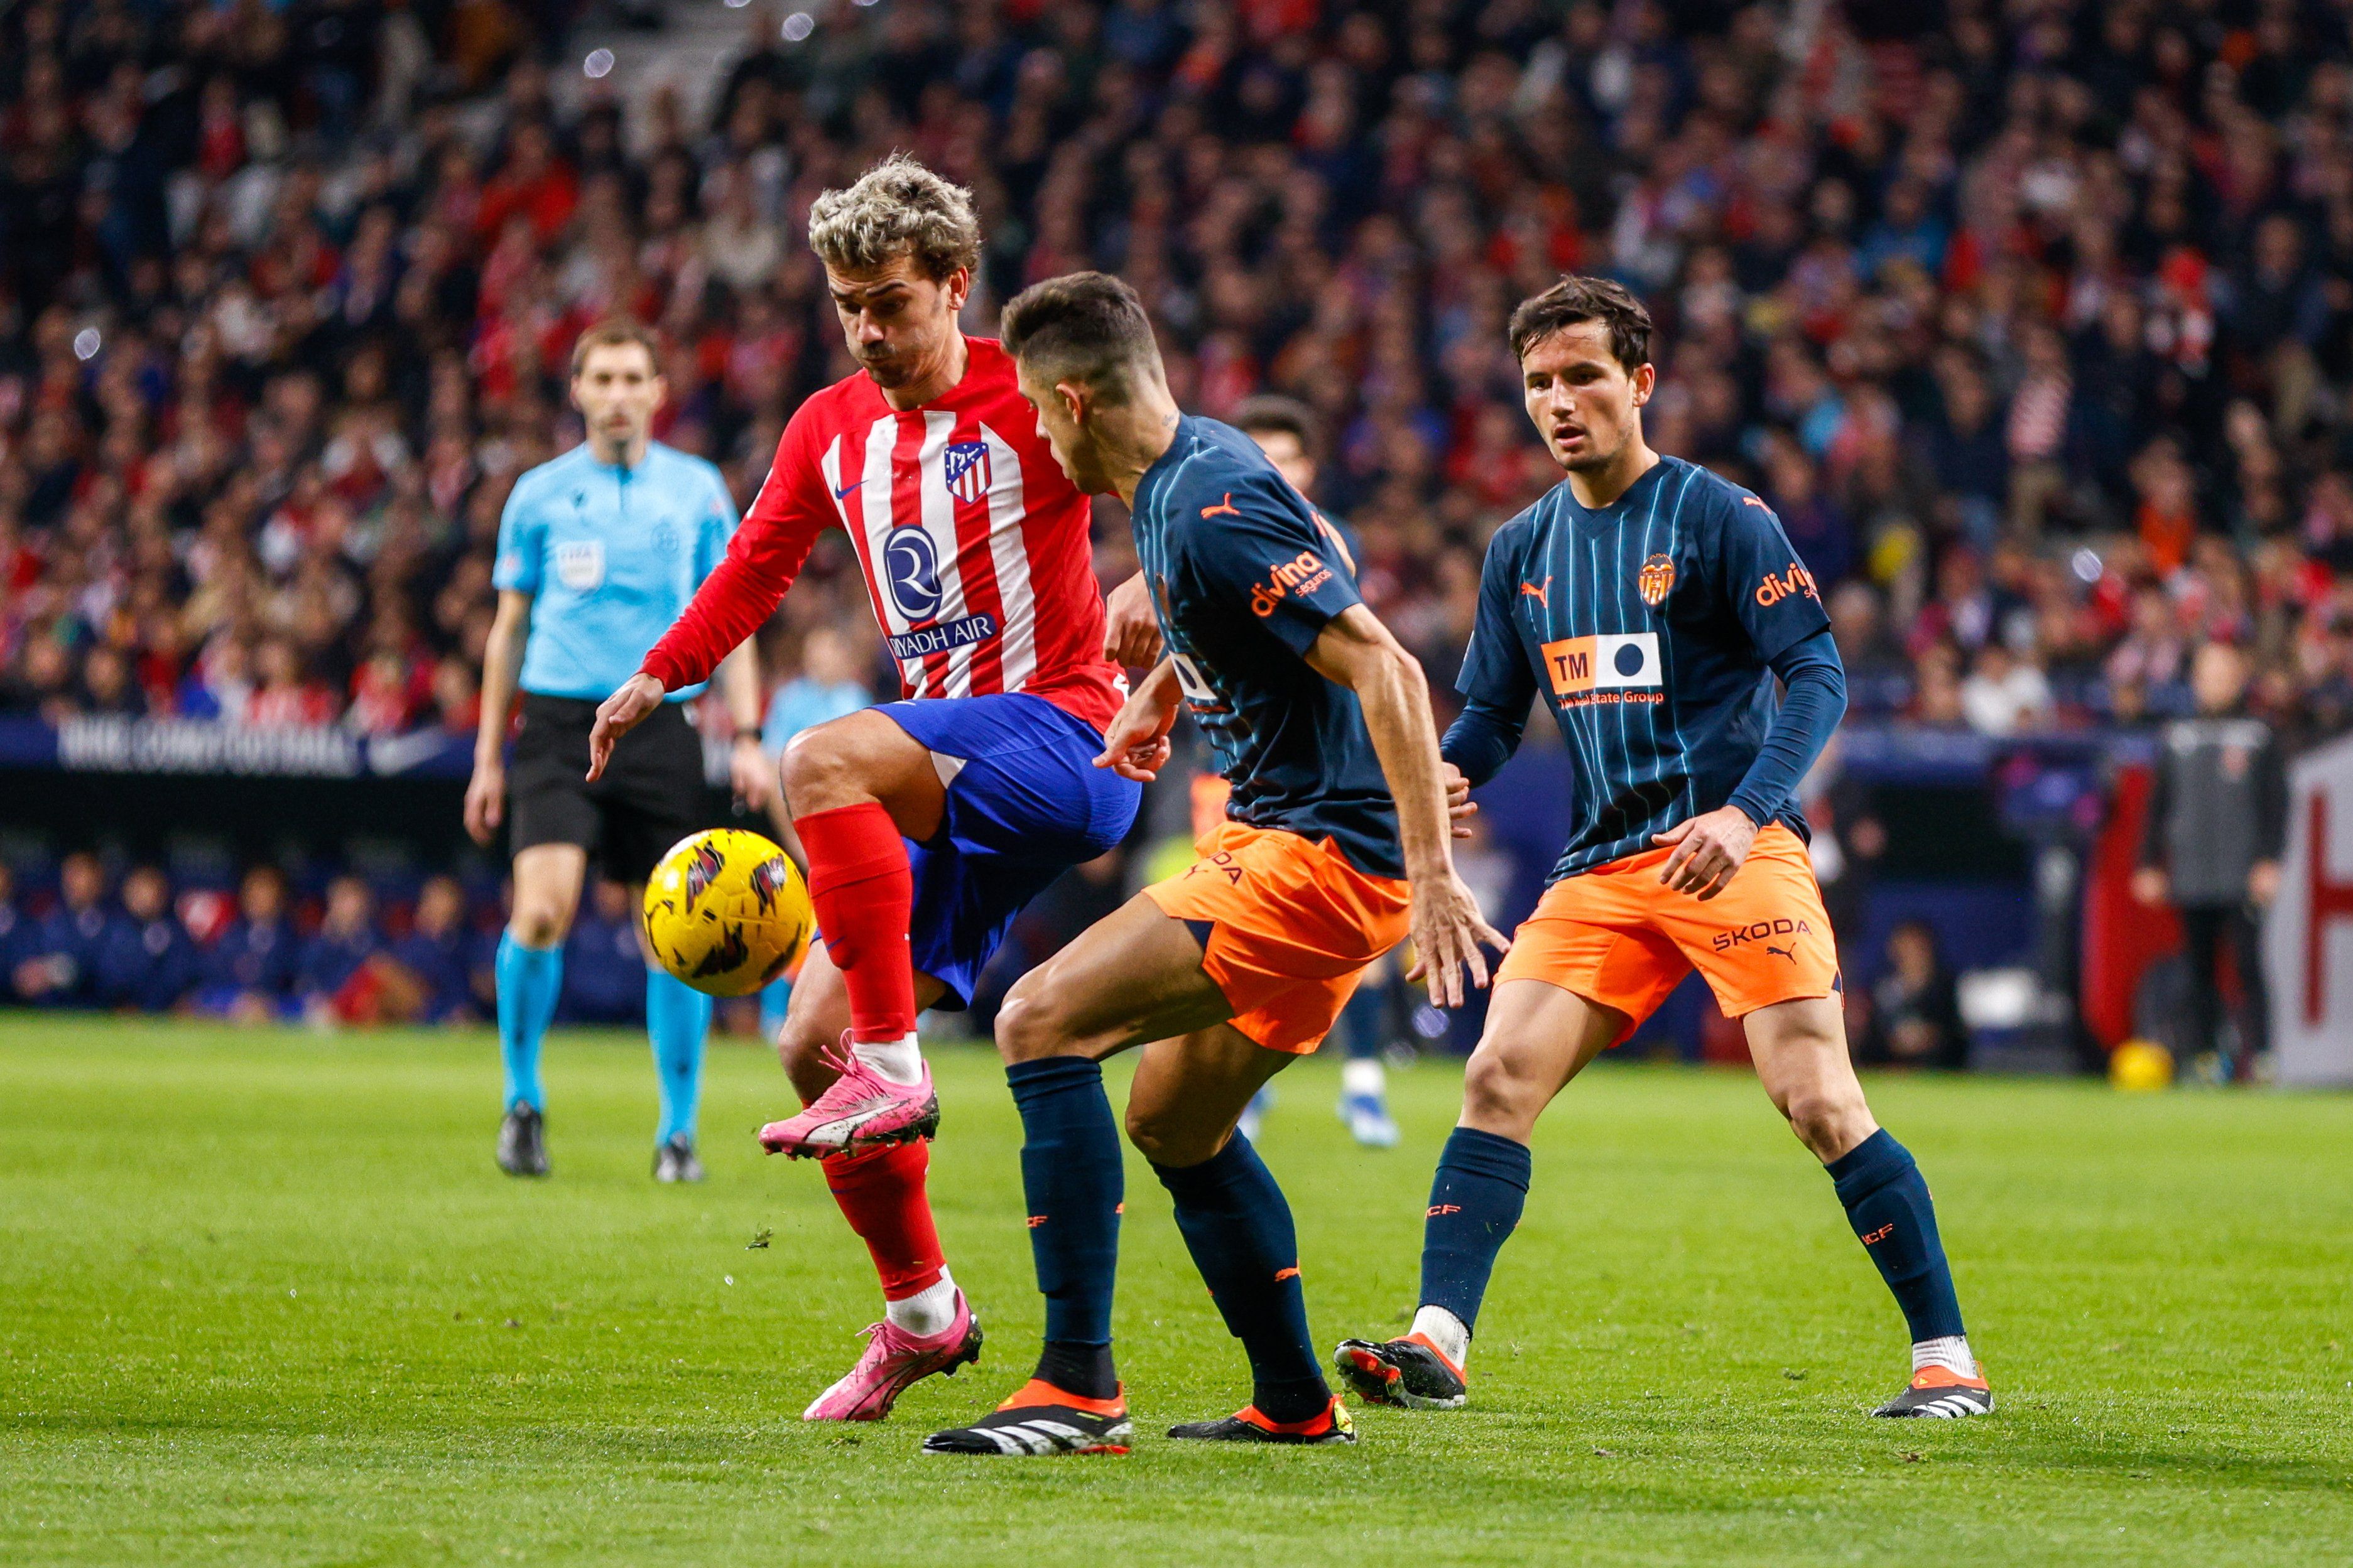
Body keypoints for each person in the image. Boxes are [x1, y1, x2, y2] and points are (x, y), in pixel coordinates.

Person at [1330, 276, 1993, 1422]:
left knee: (1818, 1098)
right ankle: (1438, 1342)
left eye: (1582, 375)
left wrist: (1746, 812)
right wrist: (1446, 772)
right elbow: (1490, 716)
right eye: (1538, 383)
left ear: (1639, 382)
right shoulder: (1522, 548)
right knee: (1494, 1076)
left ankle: (1948, 1359)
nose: (1558, 401)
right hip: (1604, 864)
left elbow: (1816, 674)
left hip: (1734, 848)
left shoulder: (1721, 516)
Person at [587, 156, 1139, 1422]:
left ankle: (896, 1062)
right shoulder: (832, 426)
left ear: (955, 286)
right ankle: (925, 1316)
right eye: (845, 305)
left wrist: (1153, 588)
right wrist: (653, 677)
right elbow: (755, 566)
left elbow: (1172, 490)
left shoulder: (1038, 391)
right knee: (800, 1043)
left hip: (1066, 741)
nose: (865, 331)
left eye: (887, 302)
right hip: (941, 787)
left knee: (817, 754)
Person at [918, 271, 1501, 1456]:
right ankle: (1294, 1402)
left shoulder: (1206, 500)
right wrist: (1160, 687)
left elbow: (1383, 667)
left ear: (1075, 400)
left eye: (1035, 408)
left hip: (1317, 856)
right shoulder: (1199, 469)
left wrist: (1436, 872)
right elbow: (1302, 567)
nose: (1032, 429)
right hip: (1305, 845)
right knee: (1174, 1123)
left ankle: (1076, 1384)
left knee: (1037, 1020)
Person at [464, 316, 774, 1185]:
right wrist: (490, 757)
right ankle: (521, 1104)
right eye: (600, 379)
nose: (617, 395)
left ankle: (677, 1133)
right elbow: (508, 629)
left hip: (661, 728)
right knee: (540, 911)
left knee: (675, 936)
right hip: (560, 726)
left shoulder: (697, 490)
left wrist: (746, 737)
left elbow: (734, 618)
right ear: (577, 392)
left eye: (633, 378)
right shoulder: (537, 494)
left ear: (658, 391)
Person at [2133, 640, 2286, 1079]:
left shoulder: (2259, 734)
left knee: (2248, 963)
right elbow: (2158, 804)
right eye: (2209, 673)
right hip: (2193, 869)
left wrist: (2270, 859)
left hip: (2241, 871)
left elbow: (2277, 804)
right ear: (2196, 679)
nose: (2216, 682)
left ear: (2239, 677)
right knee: (2198, 969)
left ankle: (2261, 1056)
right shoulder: (2178, 735)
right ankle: (2204, 1057)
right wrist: (2148, 862)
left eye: (2224, 672)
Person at [755, 625, 874, 1042]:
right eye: (815, 651)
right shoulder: (790, 701)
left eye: (829, 651)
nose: (822, 660)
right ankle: (774, 1016)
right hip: (795, 830)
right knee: (785, 919)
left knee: (844, 922)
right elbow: (771, 771)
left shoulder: (856, 701)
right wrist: (791, 837)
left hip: (845, 830)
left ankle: (850, 1015)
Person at [1859, 919, 1968, 1070]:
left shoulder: (1946, 989)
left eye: (1916, 947)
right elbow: (1870, 1041)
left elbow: (1958, 1037)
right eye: (1904, 947)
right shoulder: (1882, 990)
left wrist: (1930, 1037)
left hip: (1937, 1071)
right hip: (1891, 1072)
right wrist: (1893, 1042)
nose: (1910, 954)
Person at [200, 867, 300, 1022]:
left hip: (278, 1025)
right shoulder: (230, 938)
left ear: (280, 897)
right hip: (231, 1023)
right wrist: (236, 1002)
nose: (258, 899)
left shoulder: (294, 942)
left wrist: (272, 1006)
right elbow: (208, 989)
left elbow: (305, 995)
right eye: (253, 892)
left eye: (265, 892)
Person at [94, 866, 200, 1012]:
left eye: (150, 890)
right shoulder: (113, 930)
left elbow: (184, 976)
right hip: (118, 1013)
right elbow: (106, 977)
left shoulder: (176, 932)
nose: (145, 897)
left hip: (168, 1014)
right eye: (138, 891)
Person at [17, 853, 117, 1007]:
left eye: (80, 875)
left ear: (97, 880)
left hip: (98, 1014)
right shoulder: (51, 920)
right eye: (69, 875)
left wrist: (61, 972)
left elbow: (112, 975)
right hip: (51, 1015)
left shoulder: (115, 925)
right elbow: (26, 968)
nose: (72, 882)